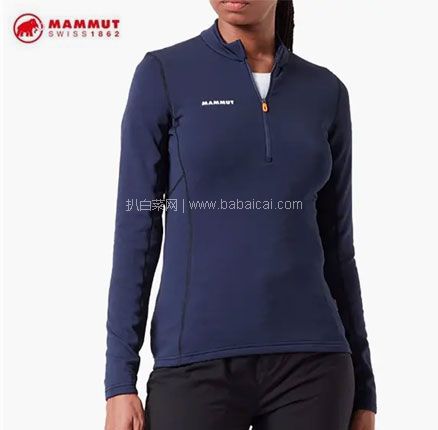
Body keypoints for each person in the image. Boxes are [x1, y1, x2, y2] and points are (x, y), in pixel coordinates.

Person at [104, 1, 377, 429]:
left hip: (314, 366)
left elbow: (339, 249)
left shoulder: (326, 91)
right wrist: (119, 381)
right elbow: (137, 230)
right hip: (194, 364)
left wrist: (365, 391)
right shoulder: (164, 74)